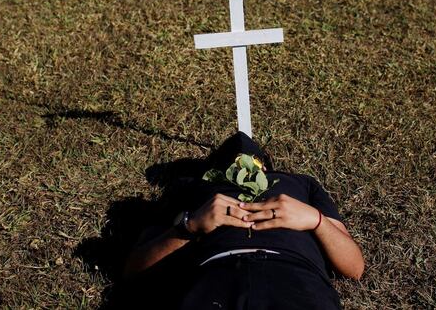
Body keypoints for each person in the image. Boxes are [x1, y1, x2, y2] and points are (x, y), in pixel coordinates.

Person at [123, 132, 364, 309]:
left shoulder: (299, 183)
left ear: (267, 168)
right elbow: (135, 268)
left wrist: (316, 220)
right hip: (213, 274)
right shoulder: (191, 188)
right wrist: (190, 226)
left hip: (293, 275)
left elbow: (354, 268)